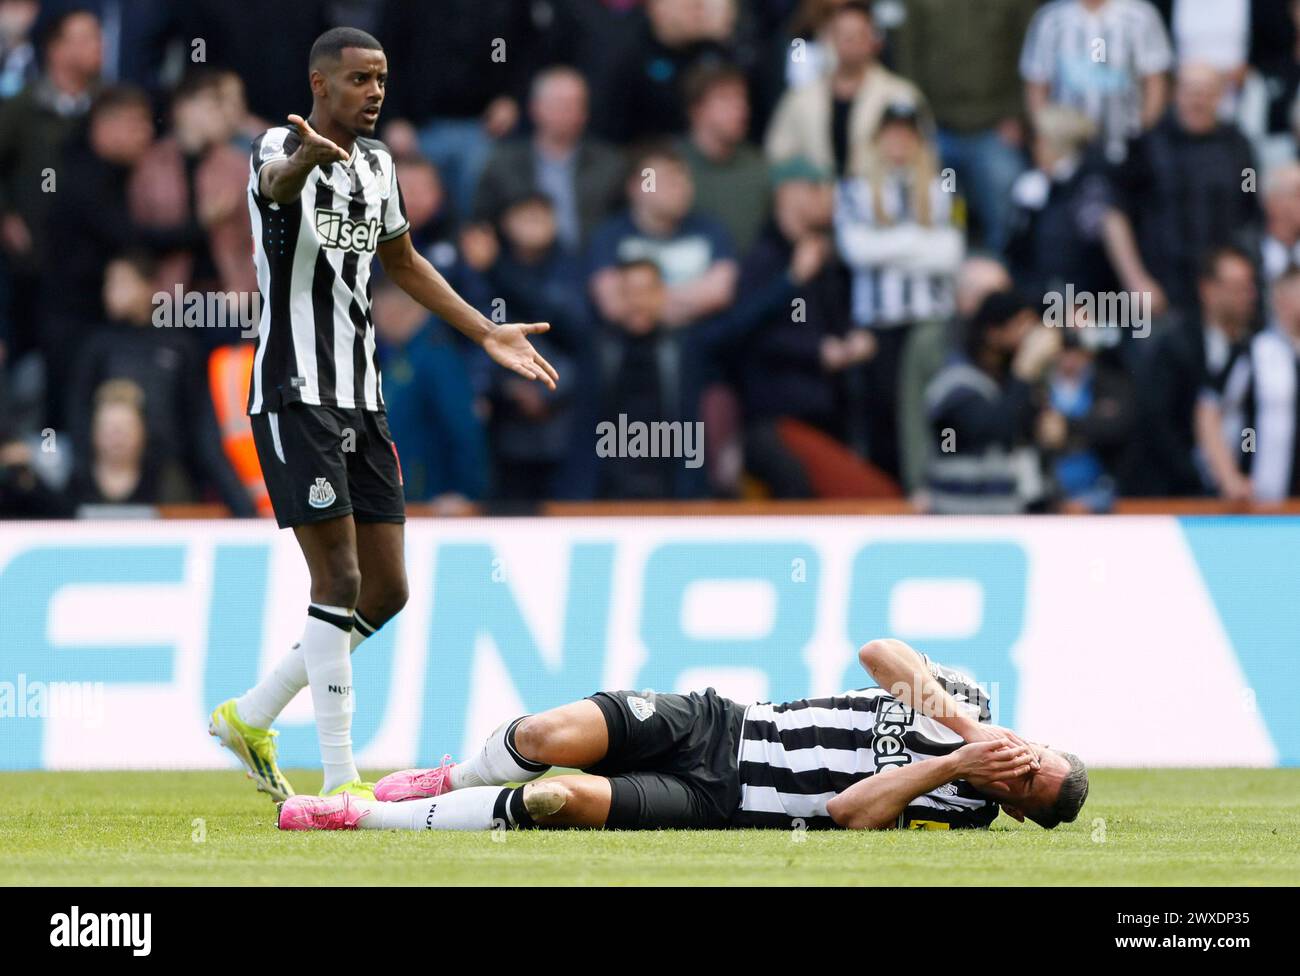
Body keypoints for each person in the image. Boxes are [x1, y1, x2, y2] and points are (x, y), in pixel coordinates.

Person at [208, 27, 559, 805]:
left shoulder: (380, 165)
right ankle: (340, 782)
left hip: (362, 398)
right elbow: (274, 185)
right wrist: (304, 159)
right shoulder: (277, 145)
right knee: (336, 577)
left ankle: (253, 714)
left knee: (387, 589)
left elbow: (401, 262)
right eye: (361, 79)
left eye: (383, 80)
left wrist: (485, 329)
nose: (375, 92)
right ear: (319, 84)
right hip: (296, 391)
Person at [278, 637, 1088, 833]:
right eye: (1036, 760)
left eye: (1027, 788)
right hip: (720, 721)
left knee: (558, 798)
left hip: (719, 800)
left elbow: (847, 812)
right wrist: (971, 726)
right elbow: (880, 654)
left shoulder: (961, 814)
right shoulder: (971, 700)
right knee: (550, 731)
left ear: (1016, 809)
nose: (1017, 771)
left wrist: (954, 764)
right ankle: (450, 778)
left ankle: (360, 817)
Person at [834, 101, 963, 481]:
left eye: (908, 134)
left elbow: (951, 254)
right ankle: (887, 499)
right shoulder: (853, 190)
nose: (899, 142)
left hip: (929, 321)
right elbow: (855, 250)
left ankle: (932, 490)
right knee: (884, 414)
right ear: (876, 140)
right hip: (880, 324)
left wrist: (889, 243)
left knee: (930, 414)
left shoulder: (944, 187)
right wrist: (918, 240)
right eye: (891, 133)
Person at [925, 291, 1062, 514]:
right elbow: (996, 428)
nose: (1027, 337)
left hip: (1013, 522)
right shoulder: (954, 386)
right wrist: (1025, 368)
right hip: (961, 521)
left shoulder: (1013, 385)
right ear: (993, 332)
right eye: (1020, 326)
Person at [472, 66, 624, 253]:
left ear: (585, 112)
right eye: (559, 103)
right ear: (534, 108)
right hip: (518, 266)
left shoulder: (609, 163)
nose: (566, 112)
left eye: (574, 104)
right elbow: (481, 221)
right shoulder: (503, 162)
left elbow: (622, 222)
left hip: (590, 265)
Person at [765, 1, 924, 180]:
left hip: (879, 200)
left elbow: (923, 160)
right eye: (845, 35)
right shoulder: (800, 98)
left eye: (859, 34)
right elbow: (778, 156)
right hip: (817, 201)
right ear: (828, 38)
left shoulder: (901, 95)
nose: (852, 42)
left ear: (875, 41)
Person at [1020, 0, 1172, 164]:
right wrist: (1047, 137)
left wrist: (1143, 133)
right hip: (1067, 150)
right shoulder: (1050, 19)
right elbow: (1037, 86)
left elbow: (1155, 83)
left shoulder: (1140, 16)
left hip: (1126, 145)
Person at [1196, 266, 1300, 504]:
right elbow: (1208, 411)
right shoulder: (1255, 351)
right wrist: (1229, 476)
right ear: (1281, 300)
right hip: (1258, 503)